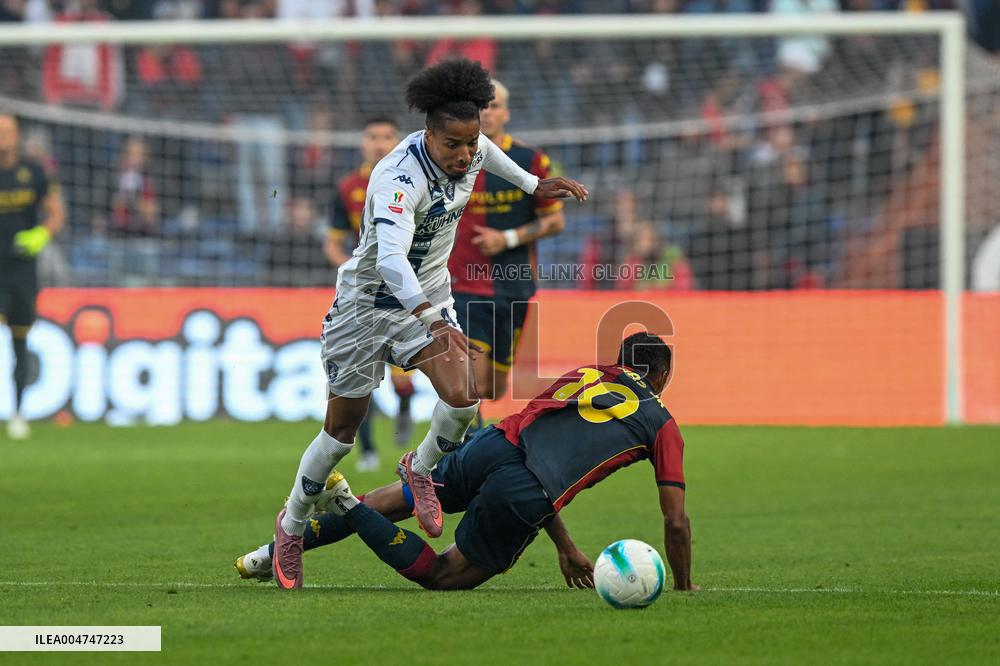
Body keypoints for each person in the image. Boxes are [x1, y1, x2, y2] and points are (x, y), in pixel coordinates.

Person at [269, 59, 588, 590]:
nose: (465, 155)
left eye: (471, 143)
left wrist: (535, 185)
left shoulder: (473, 147)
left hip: (428, 298)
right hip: (367, 308)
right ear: (428, 136)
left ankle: (417, 469)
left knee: (465, 397)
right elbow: (391, 261)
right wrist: (432, 320)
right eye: (453, 146)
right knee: (341, 433)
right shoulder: (397, 177)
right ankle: (292, 525)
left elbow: (494, 155)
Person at [236, 332, 697, 593]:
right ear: (664, 375)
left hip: (491, 443)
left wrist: (563, 544)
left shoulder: (586, 374)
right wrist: (682, 585)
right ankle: (342, 501)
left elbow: (538, 443)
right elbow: (675, 522)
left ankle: (271, 552)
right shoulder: (660, 423)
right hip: (524, 490)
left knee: (392, 501)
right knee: (443, 574)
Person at [448, 79, 565, 421]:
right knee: (470, 382)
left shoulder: (531, 159)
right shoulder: (451, 158)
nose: (487, 113)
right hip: (464, 285)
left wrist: (507, 239)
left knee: (493, 387)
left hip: (513, 284)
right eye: (481, 106)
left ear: (506, 113)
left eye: (494, 105)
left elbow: (555, 222)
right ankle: (467, 457)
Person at [325, 116, 415, 472]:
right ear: (363, 143)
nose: (380, 143)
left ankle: (405, 409)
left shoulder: (414, 179)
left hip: (403, 288)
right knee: (358, 371)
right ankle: (367, 450)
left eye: (387, 136)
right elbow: (332, 243)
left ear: (398, 140)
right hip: (362, 293)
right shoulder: (347, 188)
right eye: (373, 136)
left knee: (402, 373)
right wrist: (351, 269)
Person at [0, 113, 65, 439]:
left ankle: (18, 413)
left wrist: (41, 234)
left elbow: (56, 213)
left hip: (23, 271)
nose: (3, 138)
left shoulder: (34, 173)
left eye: (8, 132)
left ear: (17, 135)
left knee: (20, 341)